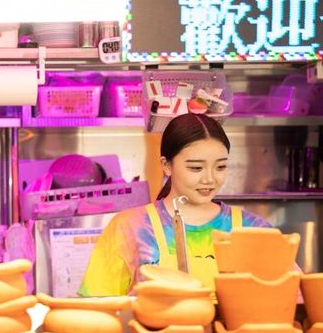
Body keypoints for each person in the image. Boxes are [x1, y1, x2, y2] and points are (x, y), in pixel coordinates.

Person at [79, 113, 271, 296]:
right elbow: (95, 306)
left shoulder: (255, 230)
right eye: (196, 168)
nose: (210, 179)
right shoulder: (130, 226)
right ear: (166, 165)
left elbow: (282, 300)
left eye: (220, 167)